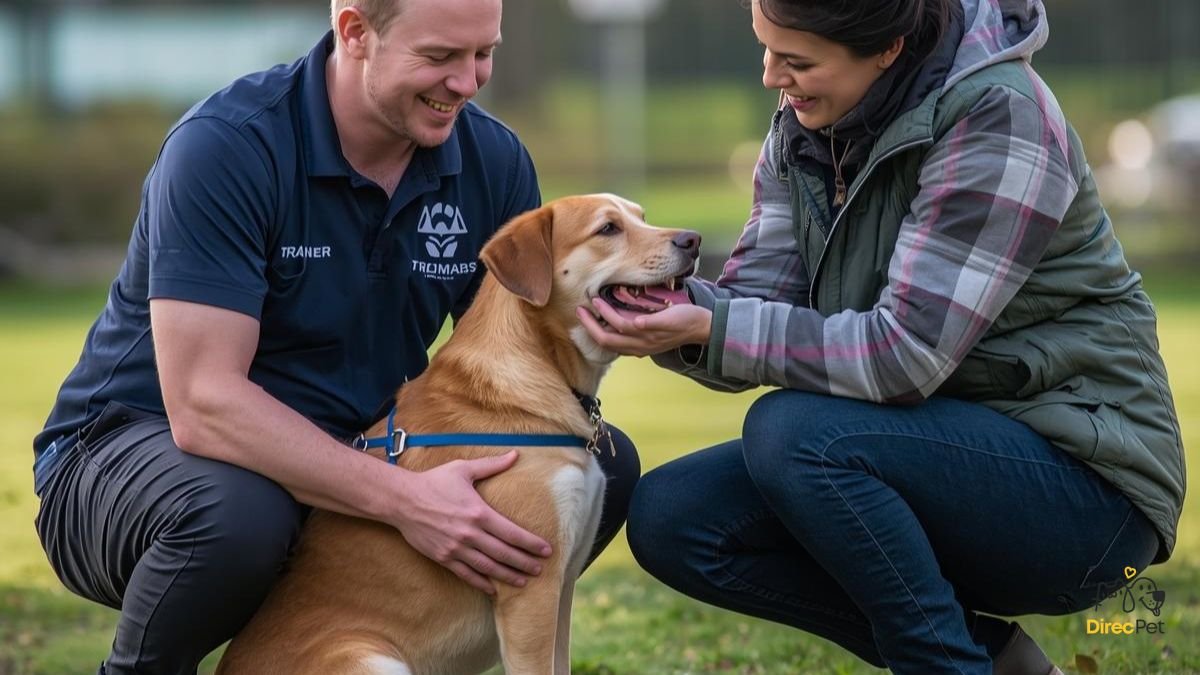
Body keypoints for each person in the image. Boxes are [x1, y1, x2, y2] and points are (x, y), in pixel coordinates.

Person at [31, 1, 640, 672]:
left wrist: (656, 317)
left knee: (592, 464)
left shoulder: (491, 161)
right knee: (241, 517)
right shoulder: (227, 146)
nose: (467, 83)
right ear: (353, 32)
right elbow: (204, 406)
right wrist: (409, 501)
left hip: (355, 452)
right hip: (130, 456)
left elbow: (514, 348)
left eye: (483, 54)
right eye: (439, 58)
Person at [578, 0, 1184, 673]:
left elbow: (905, 356)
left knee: (796, 432)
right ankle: (994, 660)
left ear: (889, 48)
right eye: (767, 48)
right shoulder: (807, 126)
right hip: (925, 451)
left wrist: (712, 324)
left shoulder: (1001, 117)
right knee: (676, 516)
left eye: (797, 61)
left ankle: (941, 664)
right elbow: (751, 308)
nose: (771, 77)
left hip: (1084, 491)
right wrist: (660, 306)